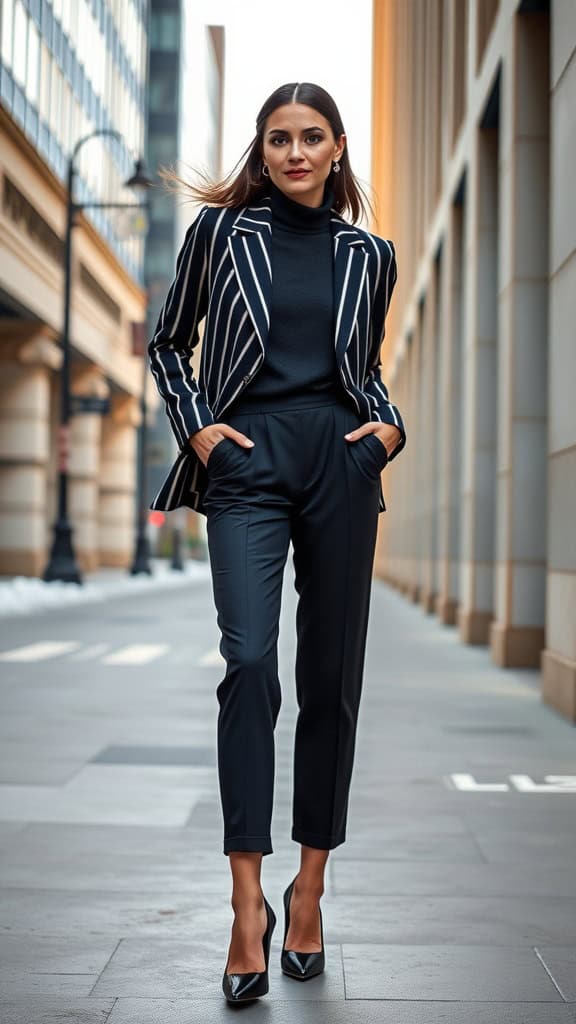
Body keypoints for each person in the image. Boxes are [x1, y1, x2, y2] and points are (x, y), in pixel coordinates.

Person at [148, 81, 406, 1004]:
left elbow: (364, 368)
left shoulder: (369, 254)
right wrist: (201, 431)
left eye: (311, 138)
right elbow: (169, 344)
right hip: (247, 465)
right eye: (277, 140)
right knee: (250, 663)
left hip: (340, 465)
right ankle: (245, 903)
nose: (294, 153)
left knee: (332, 679)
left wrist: (389, 427)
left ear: (337, 148)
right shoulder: (222, 236)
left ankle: (310, 889)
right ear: (261, 153)